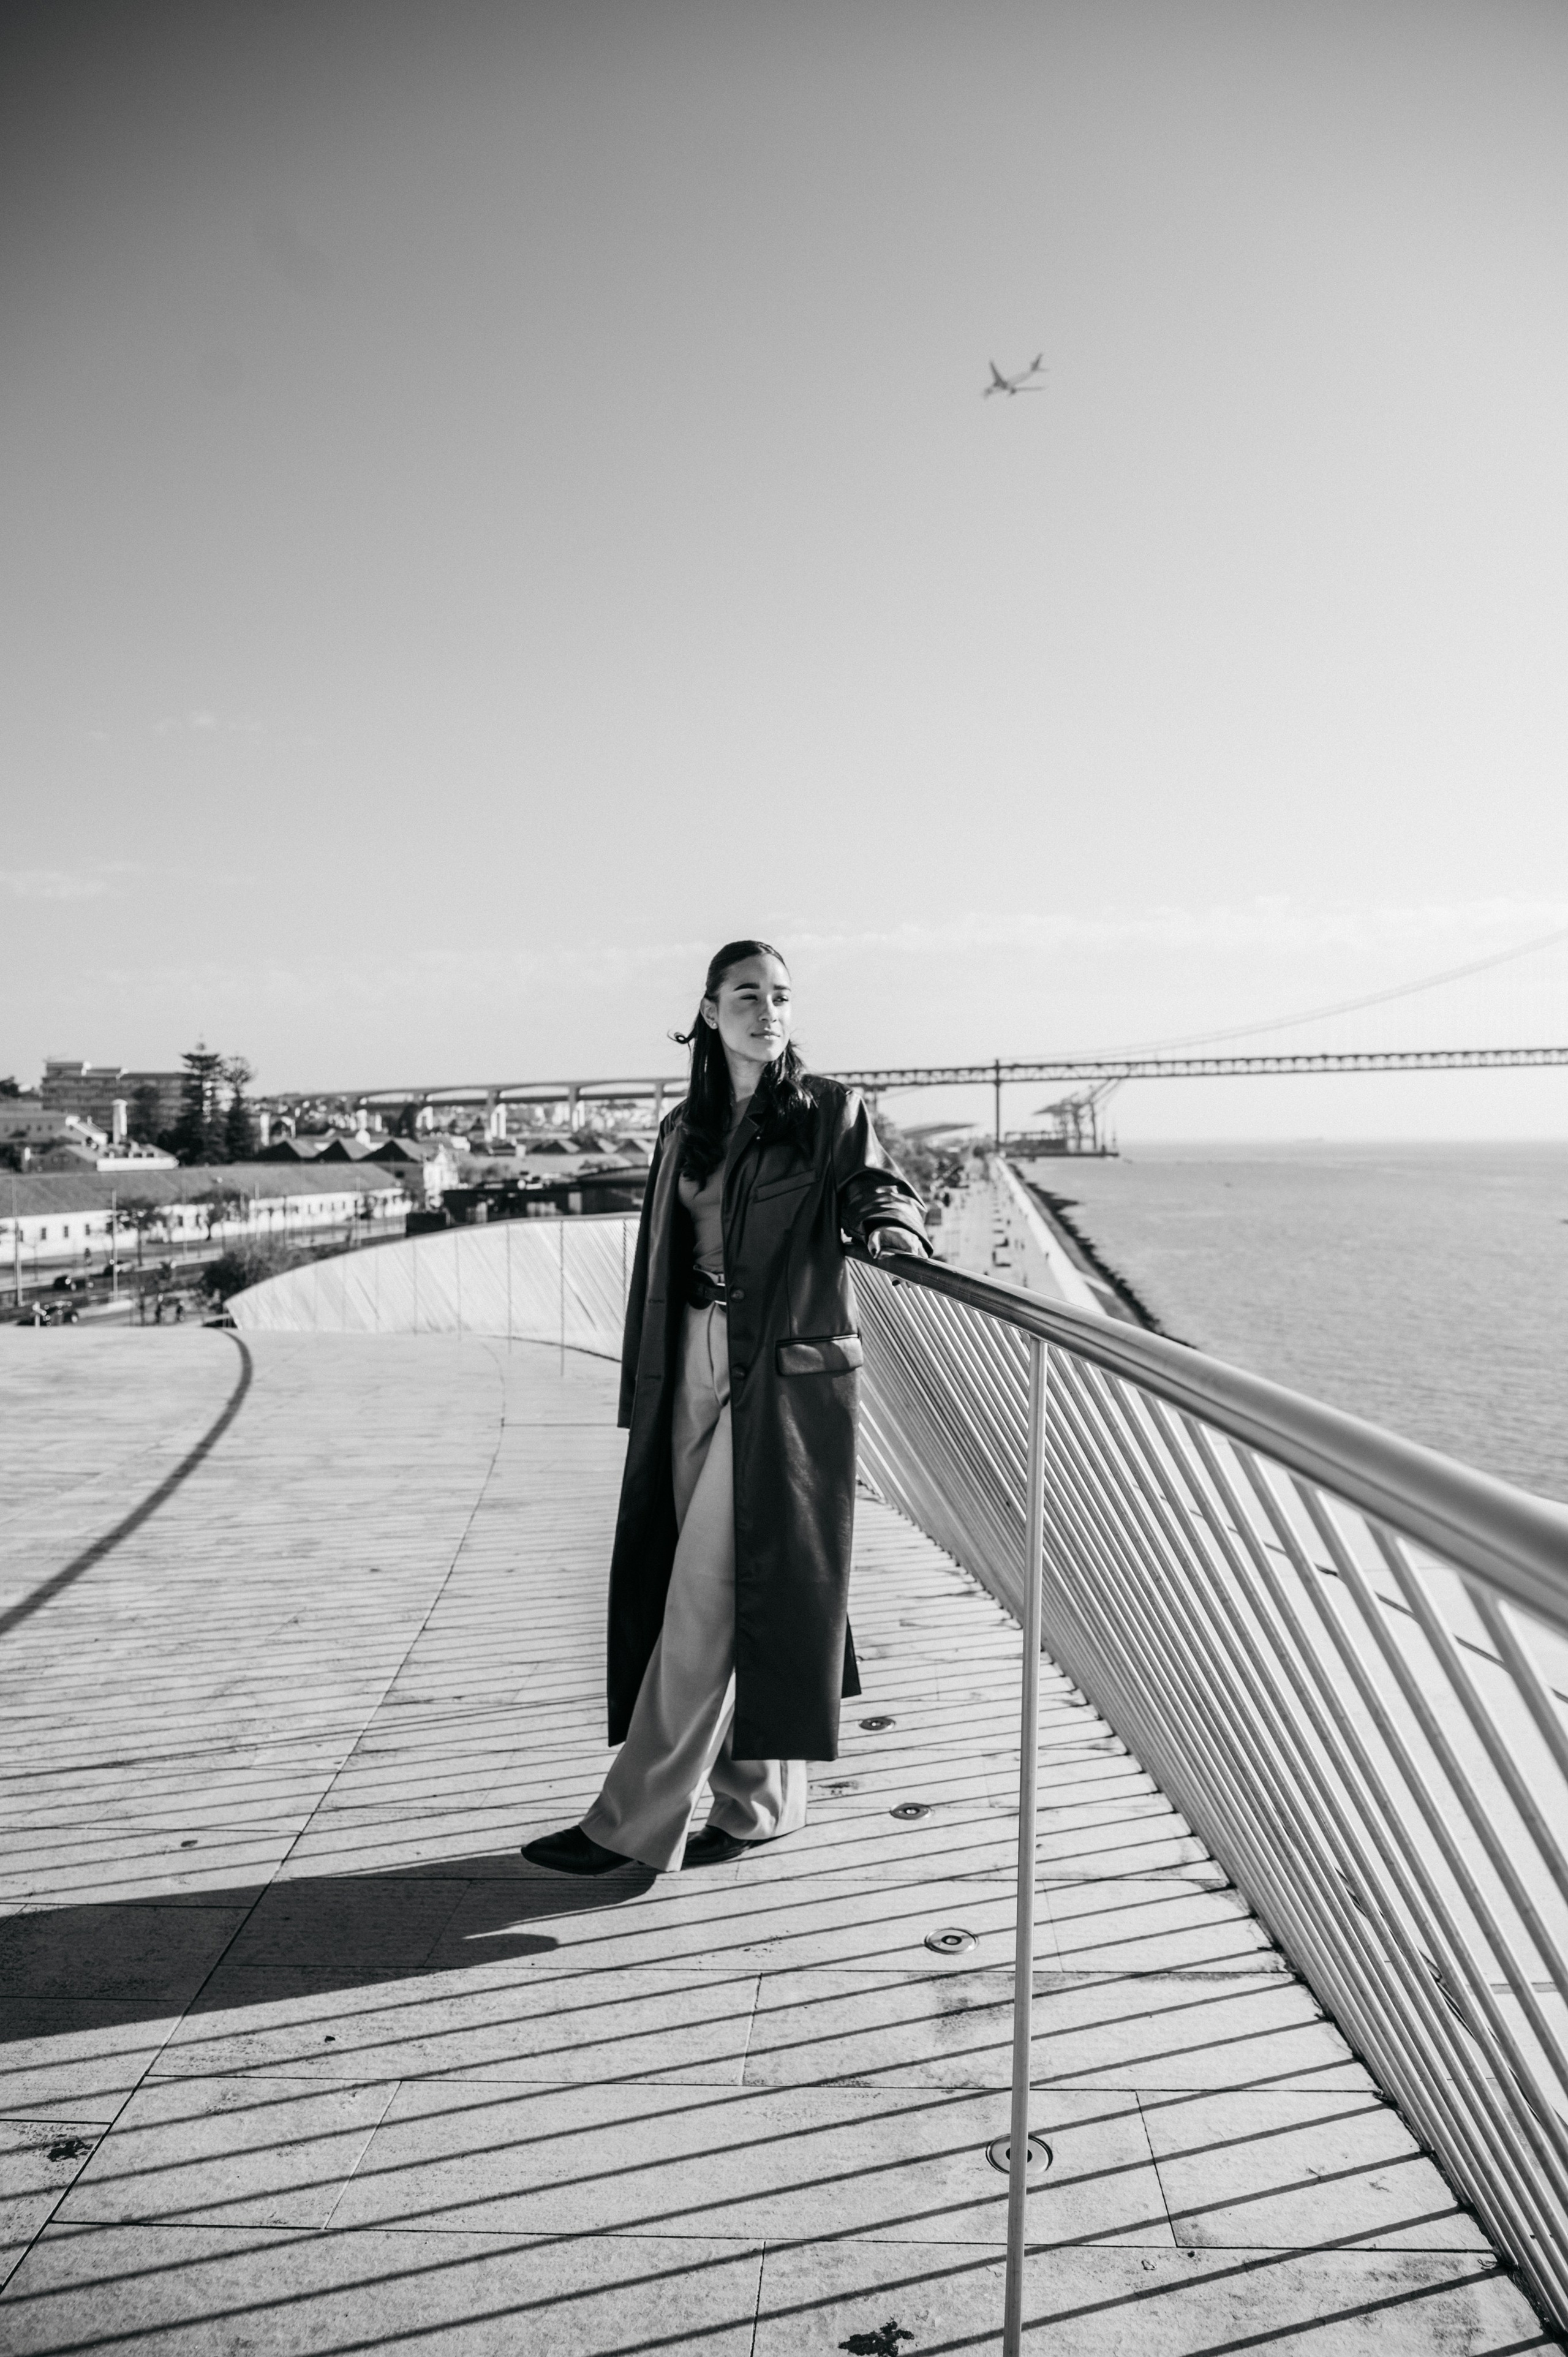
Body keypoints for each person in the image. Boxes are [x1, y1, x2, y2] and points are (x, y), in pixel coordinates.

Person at [524, 939, 930, 1877]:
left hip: (780, 1372)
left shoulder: (830, 1111)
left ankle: (631, 1820)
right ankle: (761, 1807)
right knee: (745, 1583)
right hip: (691, 1360)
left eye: (782, 995)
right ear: (709, 1012)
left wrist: (893, 1230)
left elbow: (875, 1186)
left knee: (704, 1590)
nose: (768, 1010)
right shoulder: (682, 1128)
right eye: (747, 994)